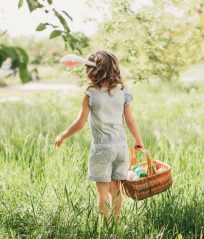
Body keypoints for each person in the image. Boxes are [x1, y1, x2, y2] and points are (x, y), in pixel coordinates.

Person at [54, 49, 144, 222]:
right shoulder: (123, 92)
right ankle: (116, 225)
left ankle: (104, 226)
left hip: (102, 149)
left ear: (91, 70)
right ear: (114, 69)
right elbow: (131, 120)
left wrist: (63, 136)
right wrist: (138, 141)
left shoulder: (90, 94)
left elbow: (79, 123)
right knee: (116, 189)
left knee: (102, 191)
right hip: (121, 148)